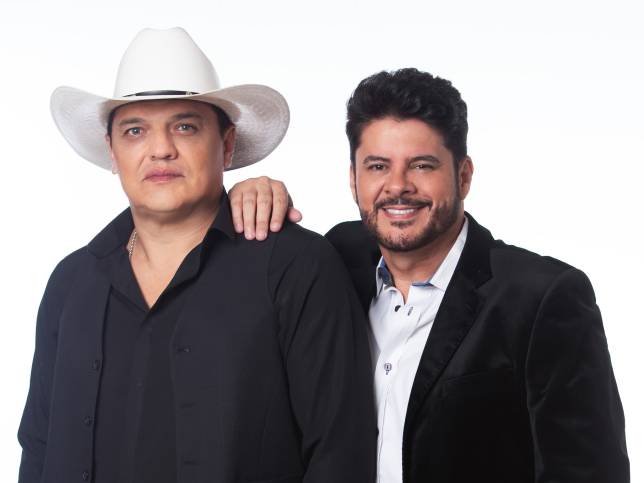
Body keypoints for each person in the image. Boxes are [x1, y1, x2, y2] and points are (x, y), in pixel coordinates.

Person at [229, 68, 629, 482]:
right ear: (353, 179)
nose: (397, 186)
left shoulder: (540, 297)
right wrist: (251, 193)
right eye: (378, 166)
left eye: (421, 165)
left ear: (463, 176)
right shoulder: (335, 262)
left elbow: (588, 472)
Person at [17, 27, 376, 483]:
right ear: (112, 151)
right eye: (135, 130)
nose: (161, 150)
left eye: (185, 127)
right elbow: (39, 447)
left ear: (226, 145)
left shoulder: (295, 266)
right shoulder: (71, 283)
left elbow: (340, 452)